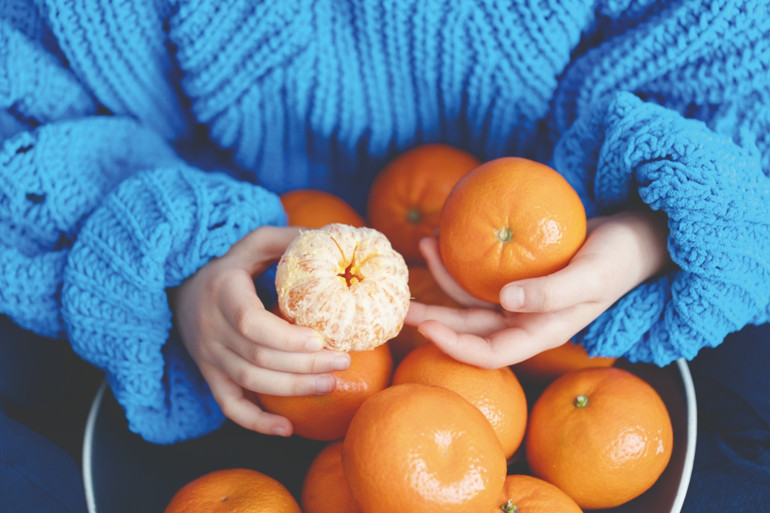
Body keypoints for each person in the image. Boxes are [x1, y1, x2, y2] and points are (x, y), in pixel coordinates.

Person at [1, 0, 768, 511]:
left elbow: (734, 80)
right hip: (242, 278)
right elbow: (30, 99)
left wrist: (641, 231)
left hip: (553, 275)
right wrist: (183, 257)